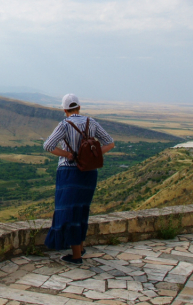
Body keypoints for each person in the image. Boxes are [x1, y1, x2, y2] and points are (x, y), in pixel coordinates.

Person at [43, 93, 115, 264]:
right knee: (82, 210)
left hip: (70, 173)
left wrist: (68, 154)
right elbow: (110, 143)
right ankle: (80, 248)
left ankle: (76, 256)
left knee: (69, 212)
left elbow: (48, 146)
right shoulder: (92, 122)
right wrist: (92, 156)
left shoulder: (65, 125)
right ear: (79, 107)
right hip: (89, 173)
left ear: (64, 109)